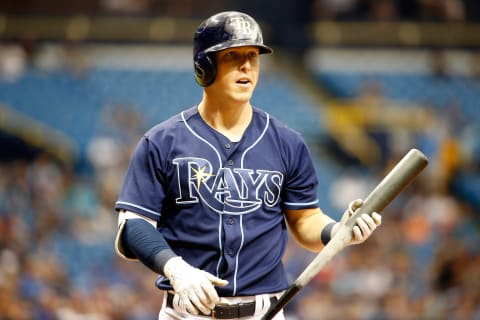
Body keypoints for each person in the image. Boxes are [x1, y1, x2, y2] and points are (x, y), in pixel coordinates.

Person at [114, 11, 382, 320]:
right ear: (204, 66)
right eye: (232, 56)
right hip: (187, 313)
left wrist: (337, 230)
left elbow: (304, 219)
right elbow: (133, 225)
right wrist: (176, 270)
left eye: (253, 56)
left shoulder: (287, 142)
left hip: (265, 311)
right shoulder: (162, 142)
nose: (246, 66)